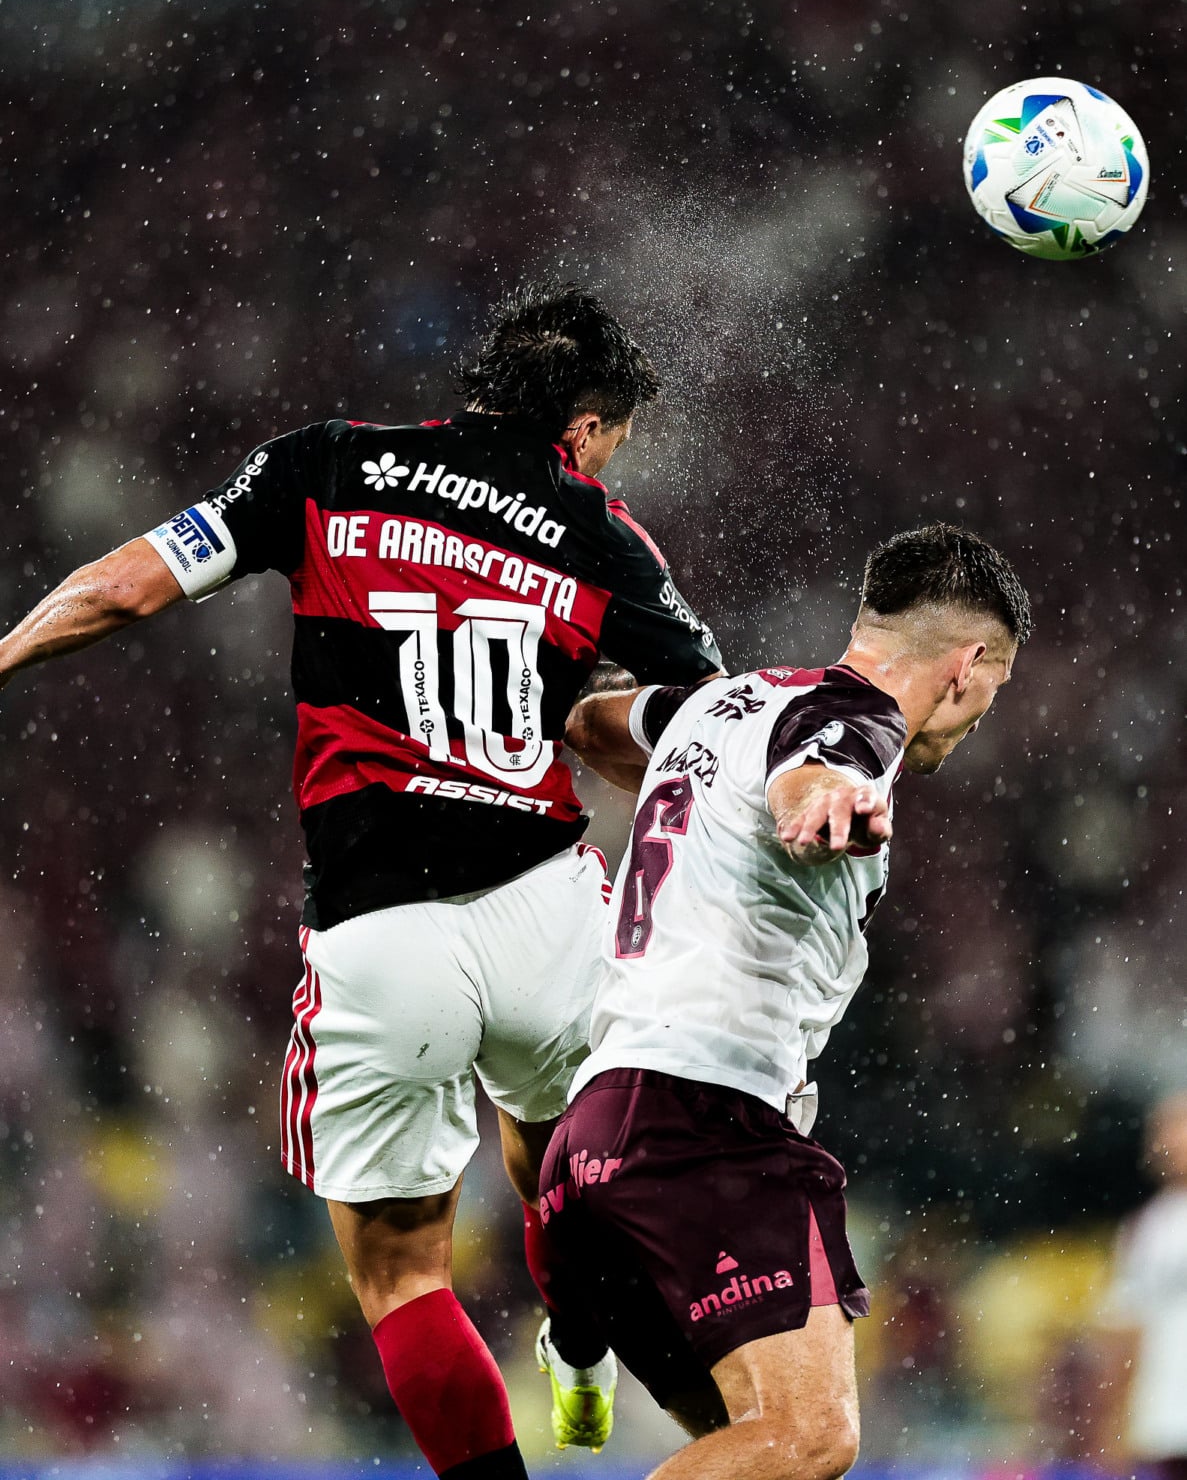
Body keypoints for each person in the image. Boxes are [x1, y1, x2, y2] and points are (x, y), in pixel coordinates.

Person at [0, 284, 723, 1479]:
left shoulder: (328, 464)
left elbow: (128, 585)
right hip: (545, 902)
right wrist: (594, 722)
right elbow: (707, 718)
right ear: (586, 427)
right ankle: (592, 1341)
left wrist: (7, 654)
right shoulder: (600, 530)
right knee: (568, 1178)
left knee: (401, 1275)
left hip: (382, 927)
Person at [537, 522, 1031, 1480]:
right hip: (701, 1125)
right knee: (811, 1438)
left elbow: (589, 725)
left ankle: (573, 1340)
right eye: (994, 690)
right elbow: (819, 770)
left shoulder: (718, 703)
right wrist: (814, 801)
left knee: (753, 1454)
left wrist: (698, 782)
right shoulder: (862, 722)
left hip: (593, 1139)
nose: (978, 718)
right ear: (967, 665)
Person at [1094, 1089, 1187, 1480]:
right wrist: (1111, 1421)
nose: (1168, 1142)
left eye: (1179, 1128)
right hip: (1166, 1418)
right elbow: (1125, 1327)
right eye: (1162, 1130)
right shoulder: (1147, 1228)